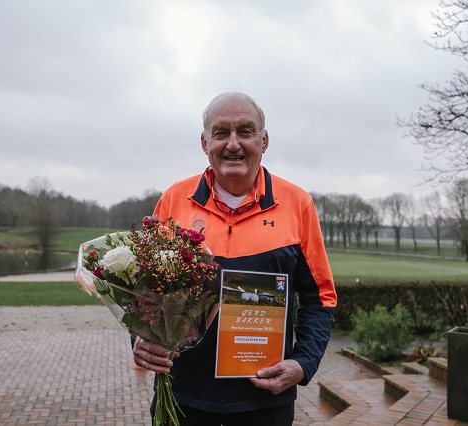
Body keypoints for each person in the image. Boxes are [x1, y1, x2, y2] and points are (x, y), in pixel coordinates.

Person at [132, 92, 337, 425]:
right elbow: (144, 293)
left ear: (264, 140)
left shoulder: (298, 204)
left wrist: (304, 362)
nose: (233, 144)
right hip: (181, 398)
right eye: (221, 132)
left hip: (265, 401)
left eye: (245, 131)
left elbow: (321, 299)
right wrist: (141, 339)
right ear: (204, 142)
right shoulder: (172, 201)